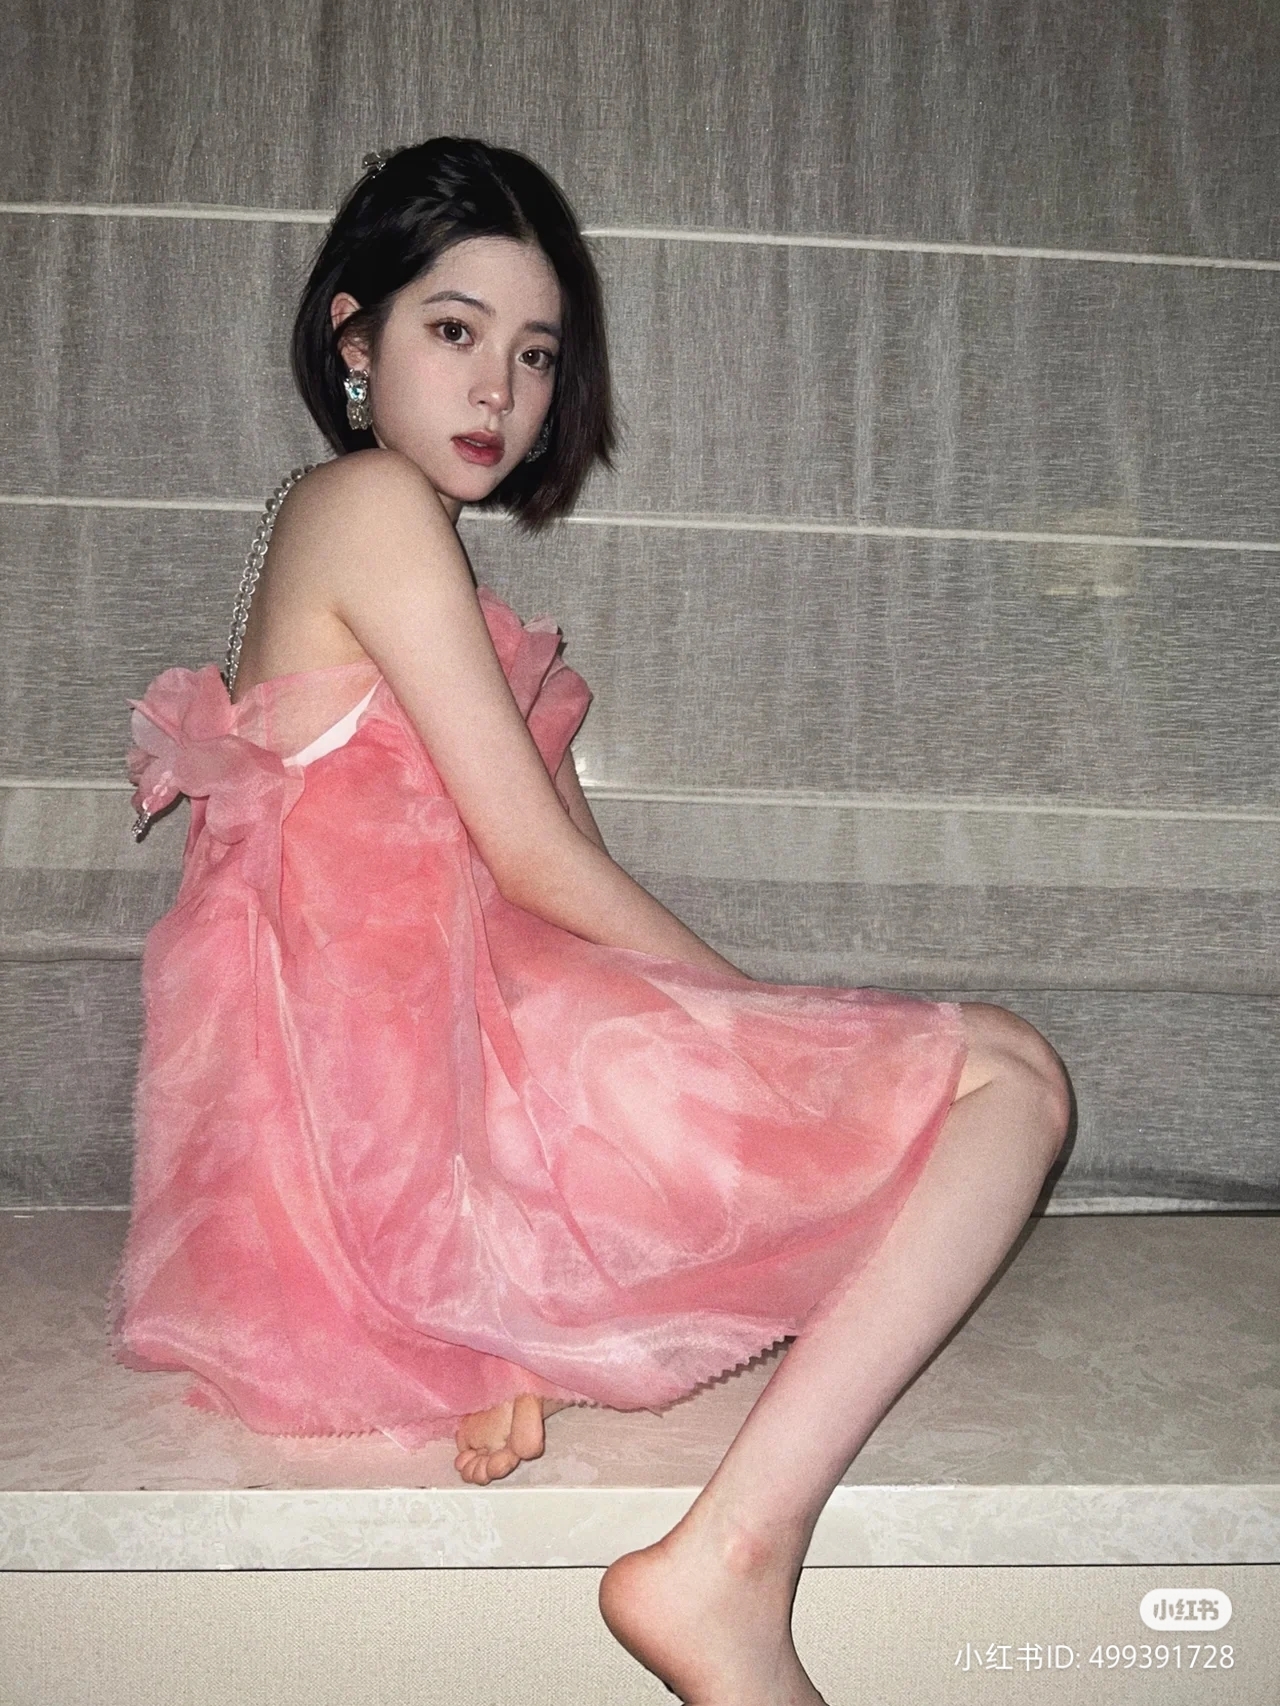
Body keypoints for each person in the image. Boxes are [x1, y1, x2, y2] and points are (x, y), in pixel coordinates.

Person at [114, 136, 1071, 1705]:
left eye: (537, 352)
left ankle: (645, 1447)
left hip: (409, 1135)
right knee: (1010, 1085)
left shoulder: (384, 543)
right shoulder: (368, 503)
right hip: (397, 1148)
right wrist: (775, 1032)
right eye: (454, 329)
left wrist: (754, 1056)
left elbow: (562, 886)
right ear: (352, 336)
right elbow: (538, 868)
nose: (499, 386)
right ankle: (725, 1566)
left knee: (947, 1116)